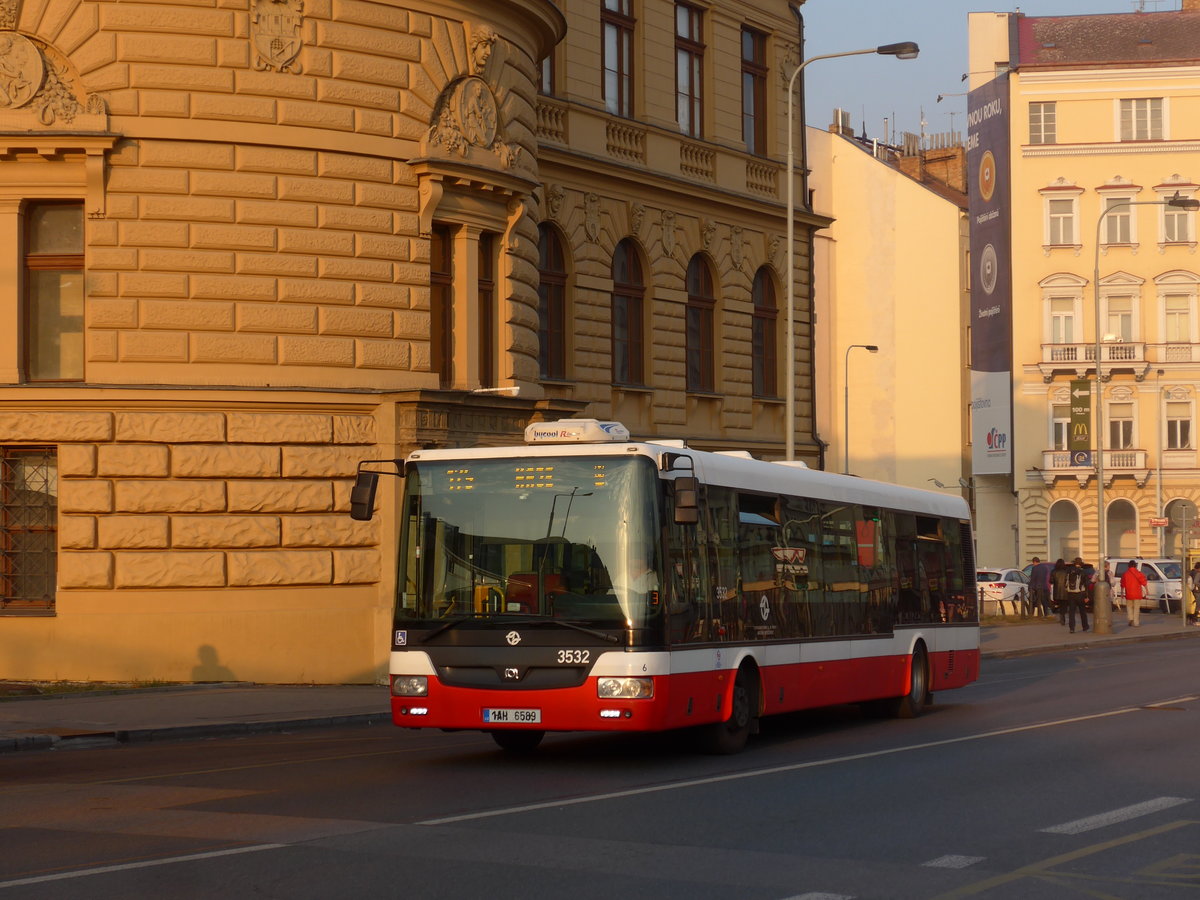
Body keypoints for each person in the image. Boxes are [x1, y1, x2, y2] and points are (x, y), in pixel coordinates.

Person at [1064, 557, 1090, 633]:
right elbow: (1086, 585)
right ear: (1081, 564)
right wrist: (1087, 596)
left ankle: (1072, 628)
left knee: (1071, 612)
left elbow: (1065, 582)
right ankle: (1085, 626)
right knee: (1082, 611)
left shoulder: (1068, 571)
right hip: (1080, 594)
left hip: (1070, 593)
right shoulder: (1083, 572)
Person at [1121, 559, 1147, 627]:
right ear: (1135, 565)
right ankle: (1136, 623)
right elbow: (1144, 582)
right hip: (1137, 594)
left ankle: (1130, 619)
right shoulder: (1138, 573)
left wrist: (1121, 593)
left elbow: (1122, 584)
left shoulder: (1125, 574)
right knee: (1136, 608)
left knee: (1129, 607)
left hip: (1128, 593)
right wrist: (1147, 590)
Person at [1051, 558, 1069, 625]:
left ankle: (1061, 618)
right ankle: (1063, 618)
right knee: (1064, 605)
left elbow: (1051, 581)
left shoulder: (1054, 571)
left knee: (1060, 604)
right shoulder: (1066, 571)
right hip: (1065, 591)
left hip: (1057, 591)